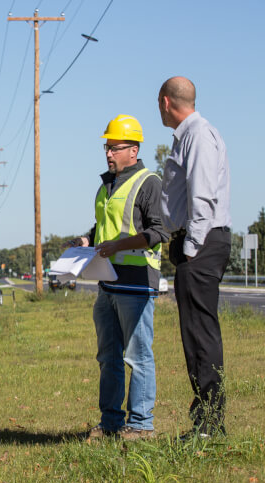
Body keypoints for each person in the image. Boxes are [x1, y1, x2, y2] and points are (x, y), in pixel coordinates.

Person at [70, 114, 169, 442]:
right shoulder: (106, 186)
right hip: (107, 285)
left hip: (137, 283)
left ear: (134, 150)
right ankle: (111, 422)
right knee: (108, 357)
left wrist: (117, 246)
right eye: (107, 147)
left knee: (138, 356)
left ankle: (141, 425)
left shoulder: (149, 183)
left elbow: (157, 232)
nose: (109, 153)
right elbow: (102, 229)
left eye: (115, 147)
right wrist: (87, 241)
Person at [158, 76, 231, 438]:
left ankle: (210, 424)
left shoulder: (198, 135)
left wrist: (190, 249)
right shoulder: (188, 135)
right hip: (195, 242)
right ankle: (206, 417)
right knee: (195, 333)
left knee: (201, 334)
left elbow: (202, 198)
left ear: (165, 102)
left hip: (201, 243)